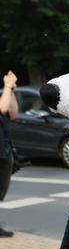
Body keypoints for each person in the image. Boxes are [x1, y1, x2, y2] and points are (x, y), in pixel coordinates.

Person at [0, 71, 19, 237]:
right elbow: (2, 107)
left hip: (3, 151)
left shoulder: (3, 95)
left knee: (1, 188)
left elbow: (13, 113)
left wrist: (11, 90)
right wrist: (7, 86)